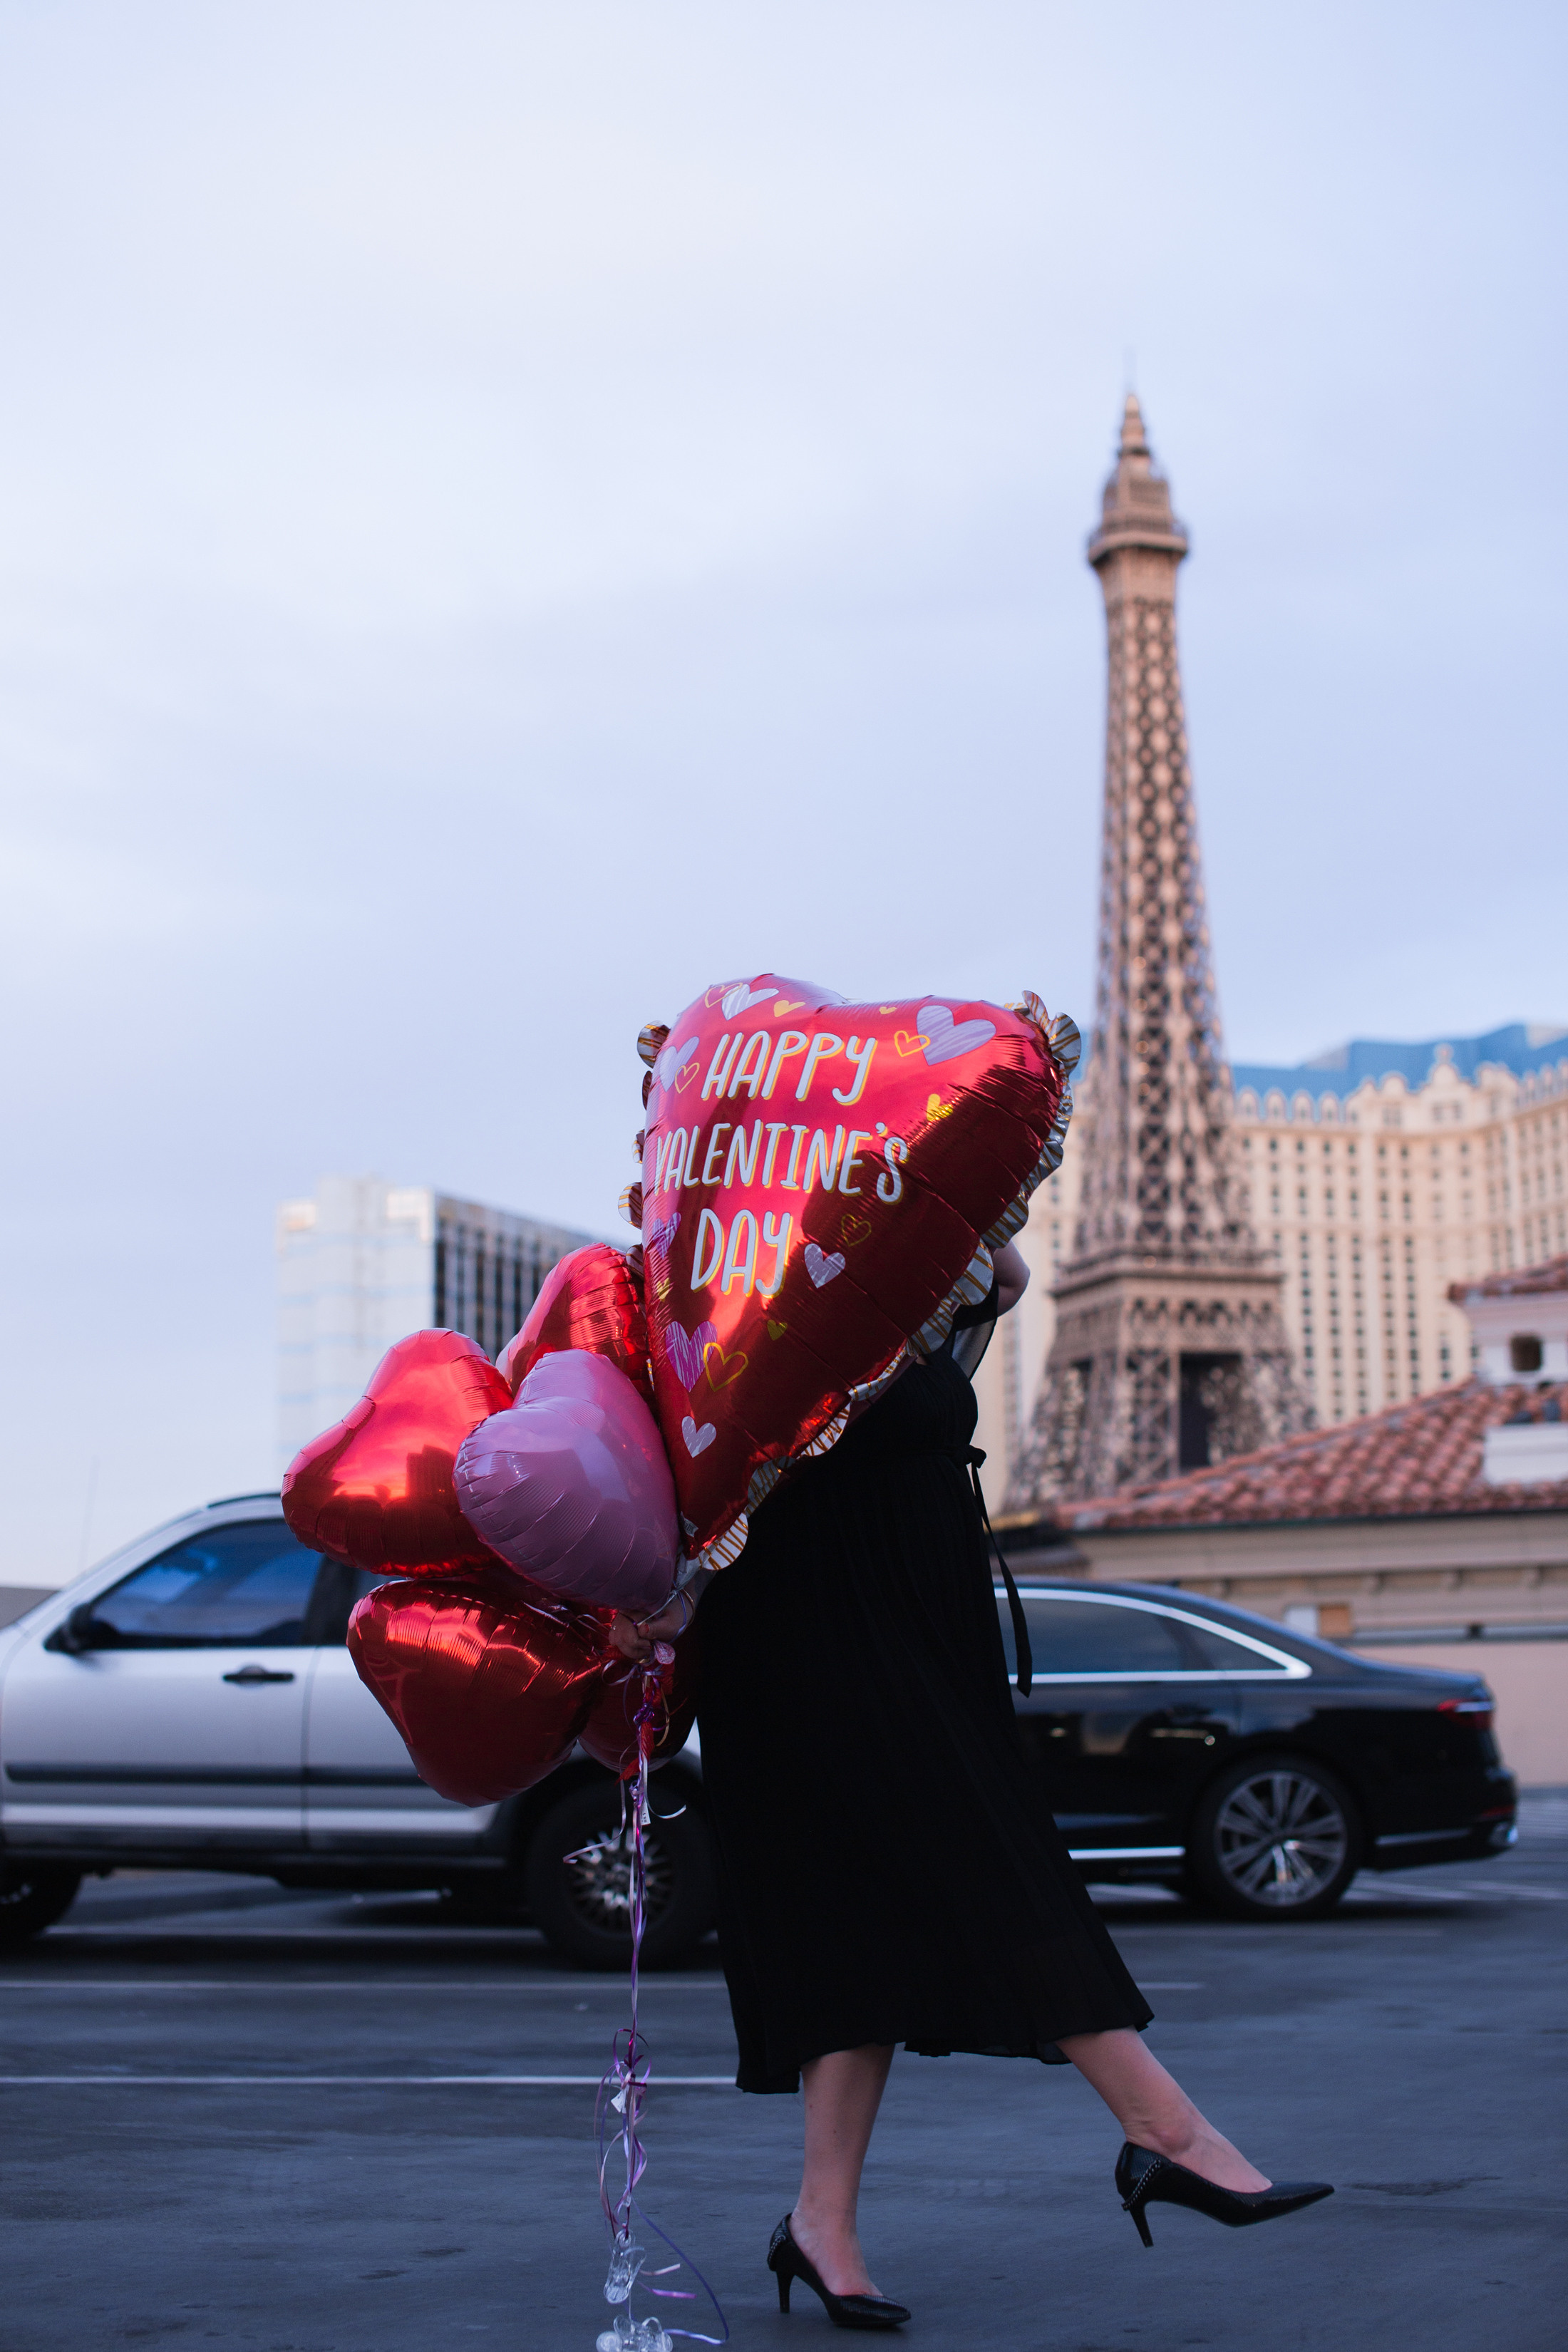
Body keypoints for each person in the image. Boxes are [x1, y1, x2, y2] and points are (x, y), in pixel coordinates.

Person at [612, 1239, 1331, 2327]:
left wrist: (946, 1212)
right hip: (811, 1632)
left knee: (861, 1921)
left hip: (922, 1626)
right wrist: (677, 1588)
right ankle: (1166, 2131)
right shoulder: (751, 1272)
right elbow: (708, 1457)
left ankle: (822, 2224)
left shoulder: (899, 1270)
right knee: (984, 1863)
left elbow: (1004, 1276)